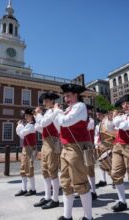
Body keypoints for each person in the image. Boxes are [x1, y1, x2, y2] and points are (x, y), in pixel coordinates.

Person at [53, 83, 93, 220]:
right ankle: (67, 216)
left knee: (80, 181)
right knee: (65, 181)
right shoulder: (67, 110)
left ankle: (88, 217)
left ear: (76, 95)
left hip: (77, 146)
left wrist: (57, 113)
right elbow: (59, 125)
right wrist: (58, 114)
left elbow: (65, 122)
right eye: (65, 96)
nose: (66, 99)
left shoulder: (80, 106)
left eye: (68, 96)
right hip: (66, 146)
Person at [34, 92, 61, 209]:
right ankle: (47, 196)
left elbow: (44, 122)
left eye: (46, 100)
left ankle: (55, 199)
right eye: (44, 101)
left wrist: (38, 115)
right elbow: (41, 127)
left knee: (52, 169)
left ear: (52, 101)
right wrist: (37, 117)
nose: (44, 103)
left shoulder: (54, 112)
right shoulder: (47, 113)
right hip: (46, 142)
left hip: (53, 142)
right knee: (45, 170)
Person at [15, 109, 37, 197]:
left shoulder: (31, 125)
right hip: (26, 148)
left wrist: (19, 125)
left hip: (29, 149)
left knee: (29, 168)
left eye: (27, 115)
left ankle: (33, 189)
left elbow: (21, 134)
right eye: (25, 115)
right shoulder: (28, 125)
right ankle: (24, 189)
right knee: (23, 168)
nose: (25, 117)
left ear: (32, 116)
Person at [94, 108, 114, 188]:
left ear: (104, 114)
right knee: (102, 163)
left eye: (99, 115)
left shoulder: (110, 122)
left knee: (112, 164)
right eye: (97, 115)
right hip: (102, 145)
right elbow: (97, 135)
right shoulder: (98, 125)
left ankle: (114, 180)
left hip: (111, 145)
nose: (98, 116)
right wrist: (96, 143)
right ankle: (103, 180)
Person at [85, 104, 97, 200]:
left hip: (87, 146)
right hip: (79, 146)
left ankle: (93, 191)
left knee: (90, 169)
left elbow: (84, 128)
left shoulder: (91, 120)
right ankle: (85, 190)